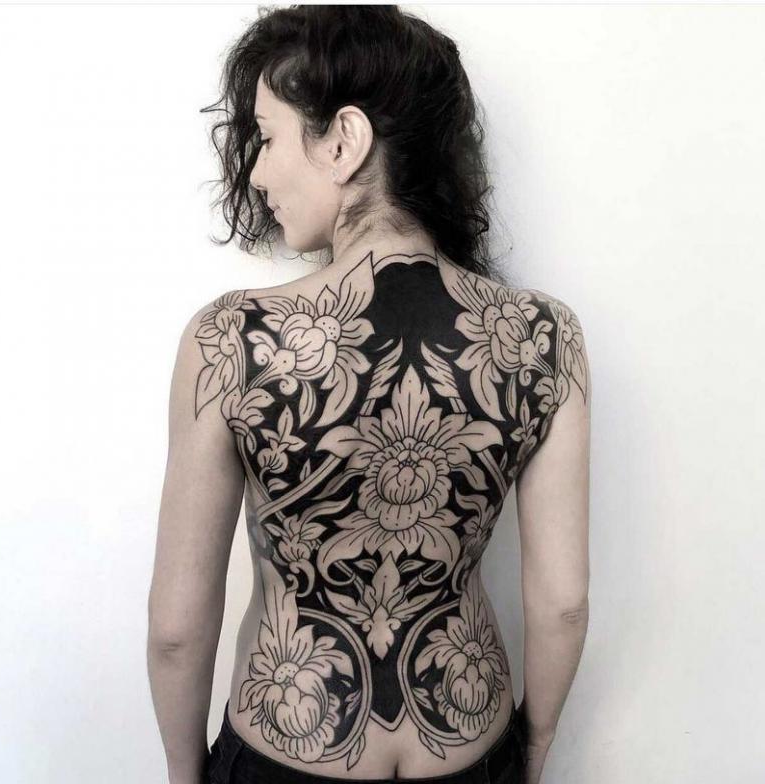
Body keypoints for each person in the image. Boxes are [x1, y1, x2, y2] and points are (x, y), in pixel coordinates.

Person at [147, 6, 591, 784]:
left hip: (287, 747)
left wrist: (187, 776)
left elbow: (177, 631)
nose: (257, 174)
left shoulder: (231, 340)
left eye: (268, 137)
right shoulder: (544, 338)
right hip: (468, 745)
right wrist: (535, 749)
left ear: (343, 141)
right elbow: (562, 605)